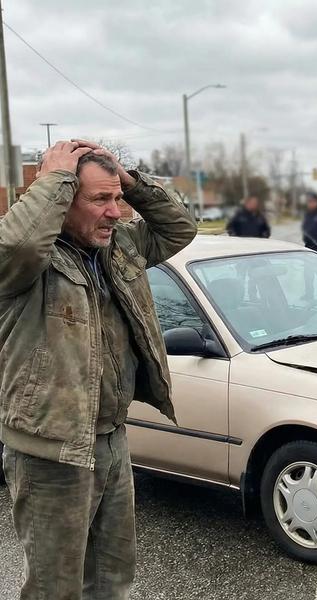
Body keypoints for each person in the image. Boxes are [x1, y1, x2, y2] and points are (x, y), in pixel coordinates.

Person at [0, 140, 197, 599]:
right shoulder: (27, 264)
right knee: (56, 587)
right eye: (99, 200)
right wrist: (53, 177)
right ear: (64, 199)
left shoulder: (119, 246)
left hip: (110, 435)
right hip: (50, 449)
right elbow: (20, 244)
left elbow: (180, 229)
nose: (115, 212)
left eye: (118, 199)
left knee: (112, 577)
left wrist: (129, 181)